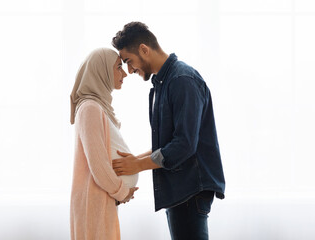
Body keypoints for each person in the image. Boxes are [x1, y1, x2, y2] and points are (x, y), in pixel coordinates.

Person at [111, 22, 226, 240]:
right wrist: (136, 159)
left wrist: (138, 165)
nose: (129, 70)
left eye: (128, 61)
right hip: (181, 189)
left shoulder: (182, 80)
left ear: (144, 49)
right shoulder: (163, 84)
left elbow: (183, 145)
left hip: (190, 188)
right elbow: (166, 145)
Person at [69, 48, 139, 240]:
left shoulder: (97, 107)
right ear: (102, 71)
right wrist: (123, 192)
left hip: (101, 201)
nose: (124, 73)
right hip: (93, 203)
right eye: (118, 67)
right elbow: (98, 165)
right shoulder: (89, 109)